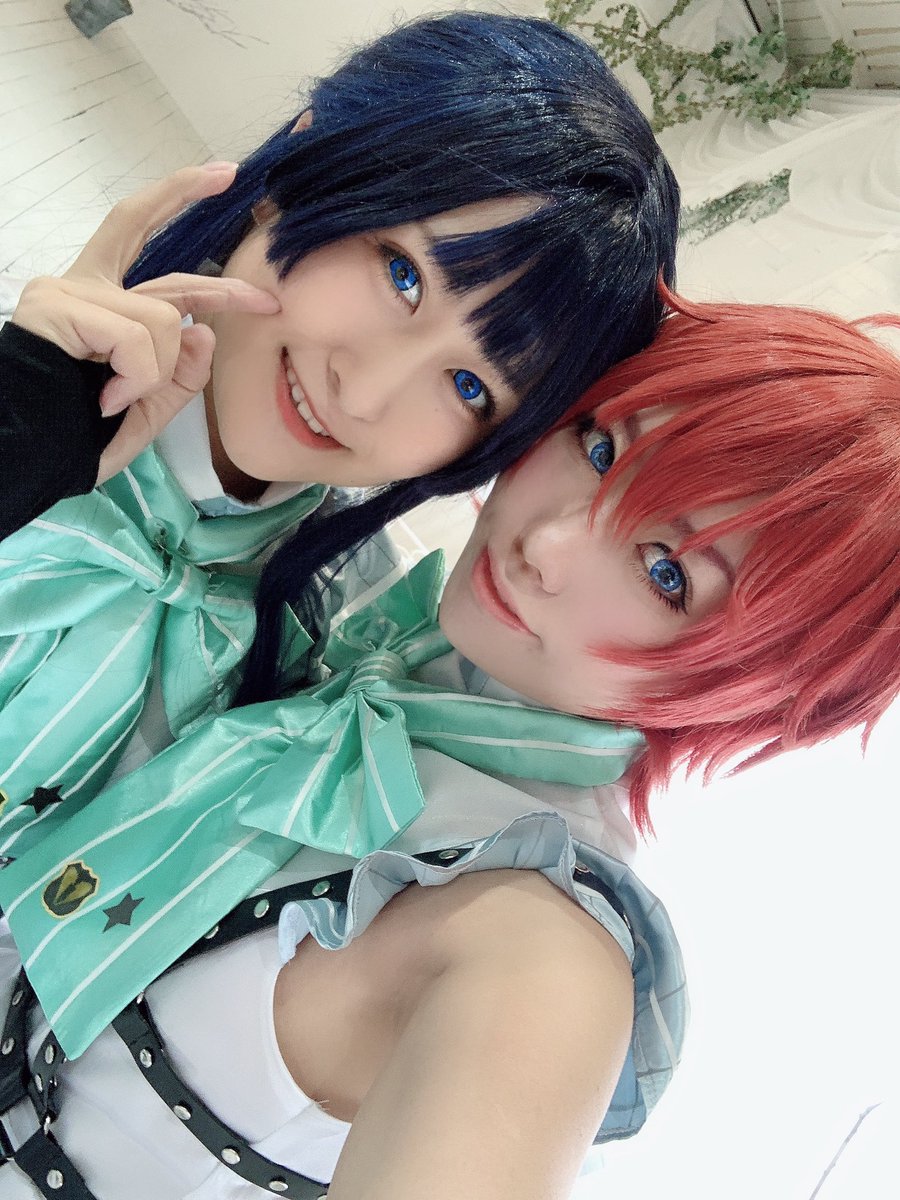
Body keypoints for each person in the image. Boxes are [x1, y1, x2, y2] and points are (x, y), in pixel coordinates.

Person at [1, 291, 897, 1199]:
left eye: (666, 572)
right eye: (599, 449)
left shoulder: (539, 956)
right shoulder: (347, 612)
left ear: (762, 683)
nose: (548, 543)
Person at [0, 10, 679, 815]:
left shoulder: (336, 636)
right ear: (302, 166)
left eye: (470, 387)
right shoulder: (24, 387)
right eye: (403, 275)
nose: (362, 395)